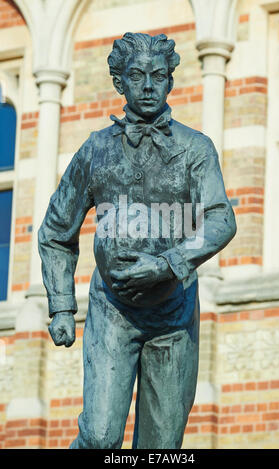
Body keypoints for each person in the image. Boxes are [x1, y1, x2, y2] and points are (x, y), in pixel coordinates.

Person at [38, 32, 236, 449]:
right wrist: (60, 306)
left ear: (170, 81)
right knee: (98, 437)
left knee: (161, 449)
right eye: (137, 76)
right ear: (119, 82)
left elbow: (221, 219)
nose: (148, 86)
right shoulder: (95, 150)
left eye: (159, 76)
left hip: (173, 313)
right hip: (113, 310)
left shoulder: (195, 149)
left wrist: (168, 263)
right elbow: (57, 231)